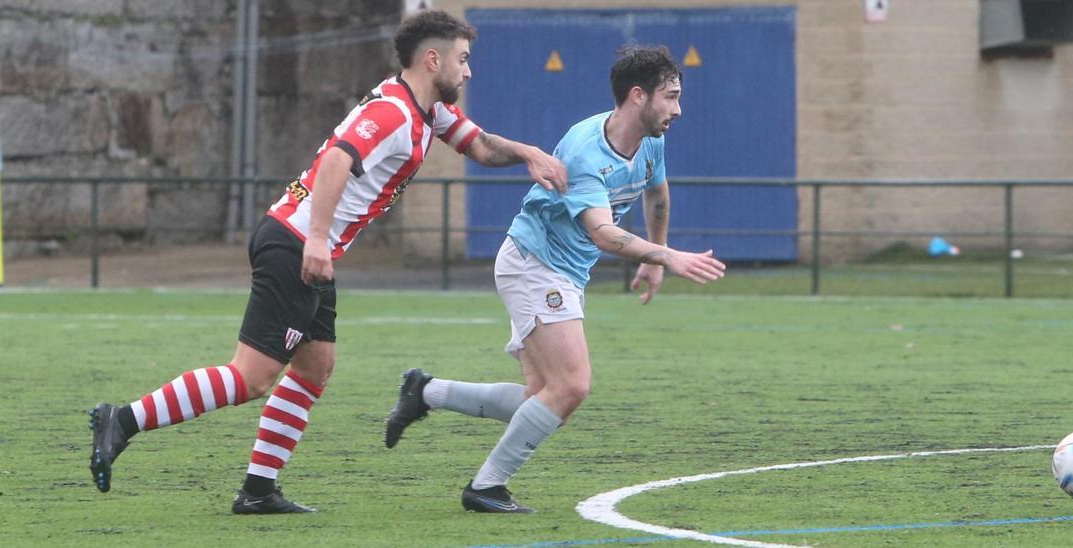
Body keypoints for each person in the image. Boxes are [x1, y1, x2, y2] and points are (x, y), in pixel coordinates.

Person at [86, 9, 567, 514]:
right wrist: (318, 240)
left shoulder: (425, 111)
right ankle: (121, 421)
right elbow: (338, 159)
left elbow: (483, 146)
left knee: (315, 366)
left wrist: (529, 153)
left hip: (305, 243)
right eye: (463, 60)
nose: (468, 72)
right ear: (432, 60)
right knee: (251, 376)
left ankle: (258, 491)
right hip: (297, 243)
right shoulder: (393, 115)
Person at [384, 45, 725, 513]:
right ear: (638, 96)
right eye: (670, 97)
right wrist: (667, 255)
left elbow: (657, 193)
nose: (678, 109)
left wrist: (651, 255)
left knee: (540, 399)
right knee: (571, 388)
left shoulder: (652, 139)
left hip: (557, 267)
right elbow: (603, 234)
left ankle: (424, 391)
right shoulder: (587, 150)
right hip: (535, 262)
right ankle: (486, 487)